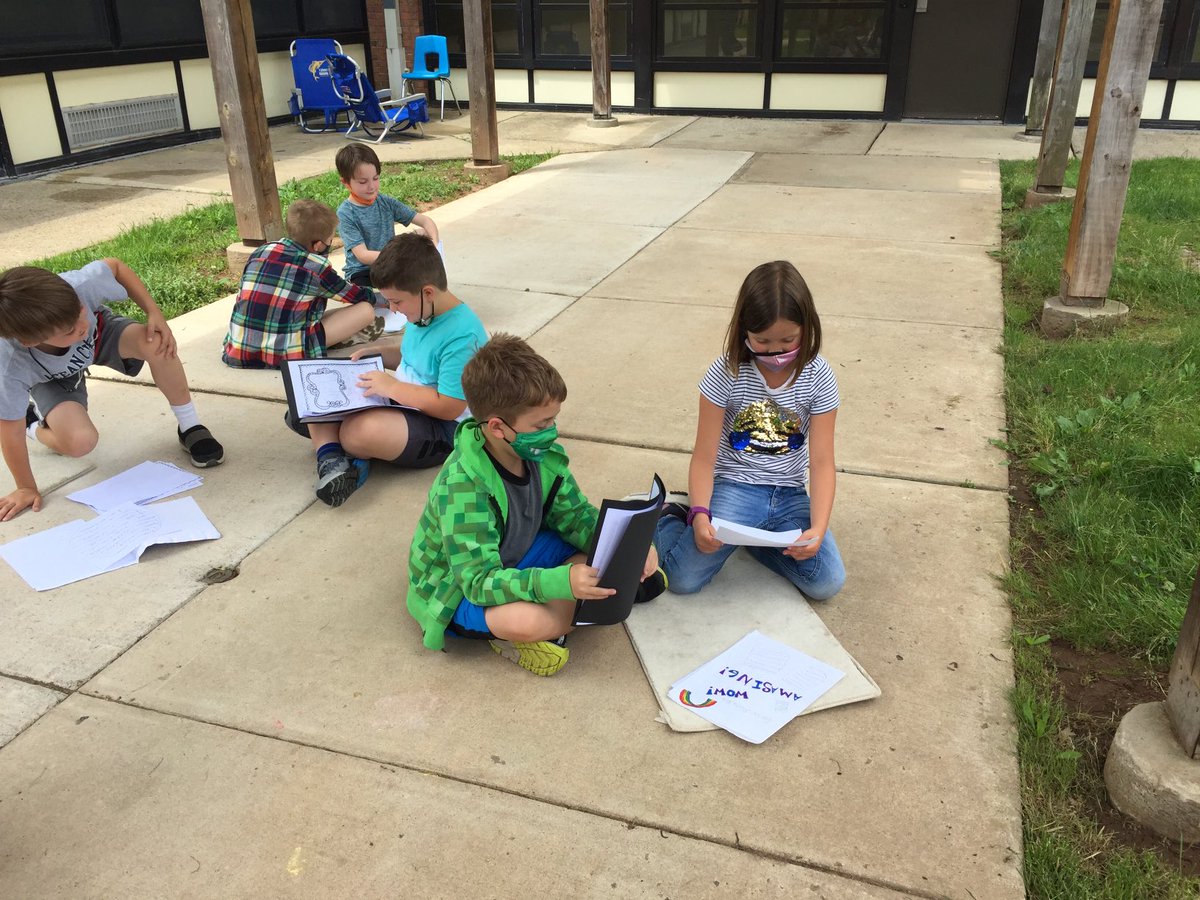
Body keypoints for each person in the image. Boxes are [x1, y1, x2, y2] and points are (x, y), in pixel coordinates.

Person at [406, 334, 665, 676]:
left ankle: (569, 615)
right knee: (528, 620)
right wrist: (559, 583)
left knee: (601, 562)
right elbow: (478, 582)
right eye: (542, 424)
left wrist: (629, 549)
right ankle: (540, 627)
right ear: (498, 427)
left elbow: (575, 516)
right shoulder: (463, 487)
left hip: (520, 551)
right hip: (457, 589)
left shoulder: (541, 455)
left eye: (553, 419)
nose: (552, 431)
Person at [655, 260, 846, 599]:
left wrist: (818, 527)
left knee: (827, 582)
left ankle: (758, 542)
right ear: (744, 330)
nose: (775, 350)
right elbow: (704, 458)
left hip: (789, 495)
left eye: (788, 339)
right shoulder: (725, 372)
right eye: (762, 340)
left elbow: (821, 463)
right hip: (734, 489)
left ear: (808, 327)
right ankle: (666, 518)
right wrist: (700, 515)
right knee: (682, 580)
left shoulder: (818, 375)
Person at [0, 259, 224, 521]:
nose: (81, 324)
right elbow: (9, 430)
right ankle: (34, 426)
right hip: (51, 379)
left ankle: (190, 427)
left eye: (79, 310)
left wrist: (153, 312)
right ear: (30, 341)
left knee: (157, 343)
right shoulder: (9, 365)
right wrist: (26, 487)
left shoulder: (76, 286)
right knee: (80, 443)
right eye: (70, 329)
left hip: (102, 336)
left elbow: (116, 267)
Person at [284, 232, 483, 507]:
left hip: (444, 427)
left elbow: (450, 406)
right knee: (310, 402)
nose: (392, 309)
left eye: (396, 302)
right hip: (404, 404)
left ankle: (343, 452)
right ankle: (331, 460)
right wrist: (377, 353)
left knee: (357, 432)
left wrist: (392, 387)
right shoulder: (424, 311)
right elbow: (413, 356)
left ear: (427, 292)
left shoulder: (462, 336)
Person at [222, 198, 377, 369]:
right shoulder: (316, 268)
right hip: (287, 355)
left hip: (238, 351)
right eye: (330, 240)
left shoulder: (261, 251)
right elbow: (355, 295)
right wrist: (378, 298)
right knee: (365, 310)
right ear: (318, 245)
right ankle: (333, 340)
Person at [335, 143, 441, 289]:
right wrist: (400, 258)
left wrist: (435, 244)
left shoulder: (386, 203)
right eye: (363, 182)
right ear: (345, 182)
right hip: (362, 272)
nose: (372, 186)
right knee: (369, 298)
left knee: (423, 239)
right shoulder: (346, 213)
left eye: (375, 178)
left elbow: (425, 221)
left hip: (390, 267)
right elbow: (363, 256)